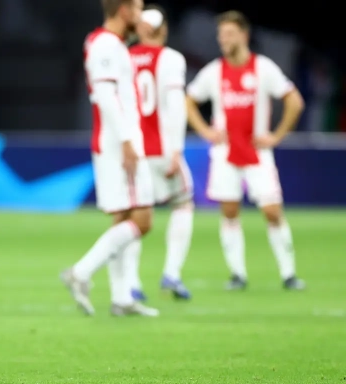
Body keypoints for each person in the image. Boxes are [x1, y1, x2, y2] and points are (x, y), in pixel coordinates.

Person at [185, 11, 306, 290]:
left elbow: (294, 101)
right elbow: (189, 100)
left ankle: (289, 274)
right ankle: (237, 274)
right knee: (229, 212)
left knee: (272, 211)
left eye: (229, 34)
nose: (223, 40)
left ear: (244, 35)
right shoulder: (214, 71)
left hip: (256, 153)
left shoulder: (263, 68)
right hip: (225, 154)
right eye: (221, 35)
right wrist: (205, 132)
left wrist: (276, 136)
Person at [60, 0, 159, 317]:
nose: (140, 15)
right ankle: (80, 272)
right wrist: (128, 140)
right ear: (124, 10)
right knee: (142, 221)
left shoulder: (110, 43)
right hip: (119, 144)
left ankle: (121, 298)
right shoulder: (105, 44)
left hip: (119, 141)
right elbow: (105, 96)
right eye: (138, 8)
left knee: (123, 218)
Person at [128, 5, 194, 300]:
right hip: (161, 148)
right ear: (163, 29)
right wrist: (176, 150)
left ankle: (131, 283)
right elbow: (175, 105)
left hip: (133, 150)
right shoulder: (171, 58)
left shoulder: (124, 56)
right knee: (183, 204)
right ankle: (172, 273)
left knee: (133, 216)